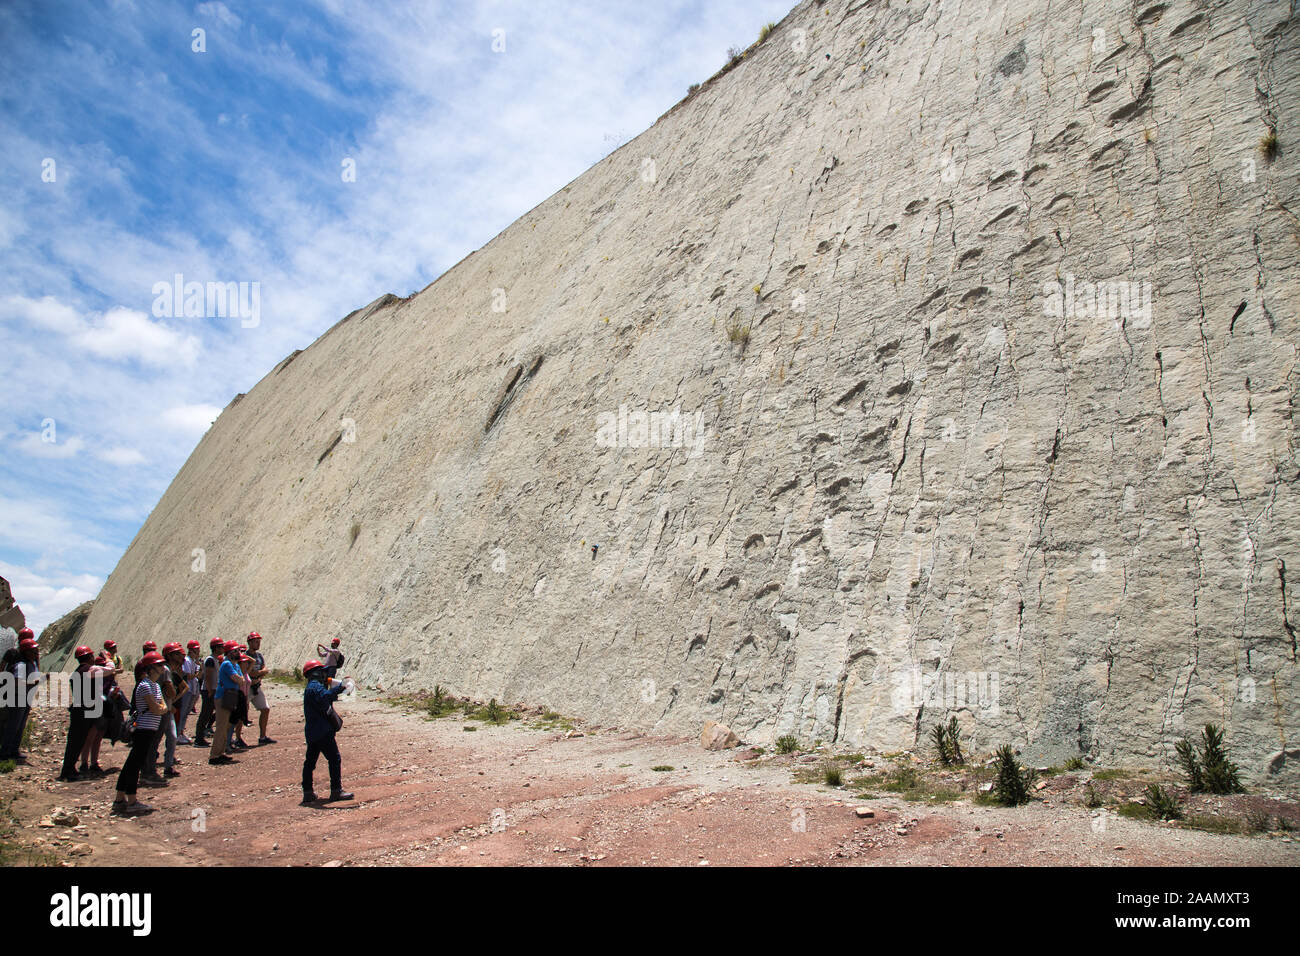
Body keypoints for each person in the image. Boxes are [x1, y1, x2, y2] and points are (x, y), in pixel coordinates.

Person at [113, 652, 167, 816]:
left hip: (150, 729)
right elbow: (156, 708)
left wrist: (161, 708)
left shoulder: (155, 686)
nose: (162, 667)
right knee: (134, 765)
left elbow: (162, 706)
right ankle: (131, 801)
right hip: (143, 729)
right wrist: (161, 708)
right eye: (158, 665)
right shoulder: (144, 685)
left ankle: (119, 798)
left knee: (132, 764)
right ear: (151, 668)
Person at [300, 659, 352, 805]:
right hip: (322, 731)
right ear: (315, 673)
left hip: (312, 732)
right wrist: (341, 687)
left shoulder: (311, 687)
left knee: (310, 763)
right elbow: (326, 696)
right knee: (334, 759)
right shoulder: (315, 687)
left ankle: (308, 792)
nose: (324, 674)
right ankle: (336, 790)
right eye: (321, 671)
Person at [58, 646, 107, 782]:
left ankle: (69, 769)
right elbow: (109, 670)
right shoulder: (88, 670)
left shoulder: (77, 672)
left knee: (76, 741)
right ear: (89, 657)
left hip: (79, 710)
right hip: (84, 710)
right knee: (77, 741)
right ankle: (68, 771)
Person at [0, 633, 41, 761]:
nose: (36, 653)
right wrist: (31, 683)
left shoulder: (30, 663)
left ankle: (13, 750)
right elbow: (16, 681)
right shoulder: (21, 664)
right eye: (33, 650)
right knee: (14, 725)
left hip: (25, 697)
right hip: (18, 697)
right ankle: (5, 752)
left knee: (20, 725)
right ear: (26, 652)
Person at [208, 639, 248, 765]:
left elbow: (242, 680)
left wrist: (239, 679)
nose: (238, 652)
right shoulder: (227, 664)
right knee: (221, 726)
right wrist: (239, 679)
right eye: (235, 650)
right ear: (230, 652)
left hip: (231, 696)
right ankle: (214, 755)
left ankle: (221, 751)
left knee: (226, 725)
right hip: (223, 696)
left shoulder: (235, 665)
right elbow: (238, 679)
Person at [78, 652, 117, 775]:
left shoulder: (95, 674)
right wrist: (108, 658)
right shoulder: (95, 673)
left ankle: (90, 762)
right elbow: (111, 668)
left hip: (100, 706)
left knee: (96, 735)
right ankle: (86, 762)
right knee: (92, 735)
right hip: (96, 707)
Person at [245, 632, 275, 745]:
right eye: (255, 641)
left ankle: (262, 736)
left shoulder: (259, 656)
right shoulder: (245, 656)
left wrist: (259, 674)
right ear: (250, 643)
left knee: (265, 709)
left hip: (256, 687)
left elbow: (265, 669)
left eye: (259, 641)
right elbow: (249, 673)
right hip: (247, 688)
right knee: (241, 713)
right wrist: (259, 673)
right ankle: (237, 738)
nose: (258, 644)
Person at [193, 637, 223, 747]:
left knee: (209, 713)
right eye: (220, 646)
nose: (223, 648)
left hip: (212, 690)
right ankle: (199, 739)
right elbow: (208, 676)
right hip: (209, 690)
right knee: (205, 714)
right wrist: (210, 690)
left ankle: (201, 735)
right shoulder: (210, 660)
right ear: (216, 648)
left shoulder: (214, 659)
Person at [175, 640, 201, 744]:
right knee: (182, 712)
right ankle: (178, 734)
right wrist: (196, 674)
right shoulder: (187, 660)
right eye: (197, 649)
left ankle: (181, 732)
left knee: (186, 713)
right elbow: (188, 675)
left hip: (192, 688)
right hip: (188, 689)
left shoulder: (193, 661)